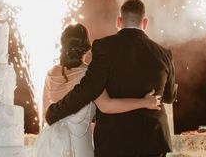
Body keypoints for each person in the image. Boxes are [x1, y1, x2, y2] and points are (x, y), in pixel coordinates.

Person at [45, 0, 177, 157]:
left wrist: (55, 112)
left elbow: (88, 89)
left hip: (114, 141)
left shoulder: (104, 47)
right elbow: (169, 97)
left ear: (119, 21)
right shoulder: (164, 53)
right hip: (153, 140)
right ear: (145, 22)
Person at [34, 22, 161, 157]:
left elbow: (45, 114)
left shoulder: (50, 73)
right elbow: (106, 106)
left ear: (63, 44)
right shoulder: (89, 74)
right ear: (86, 47)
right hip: (79, 147)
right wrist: (145, 102)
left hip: (51, 147)